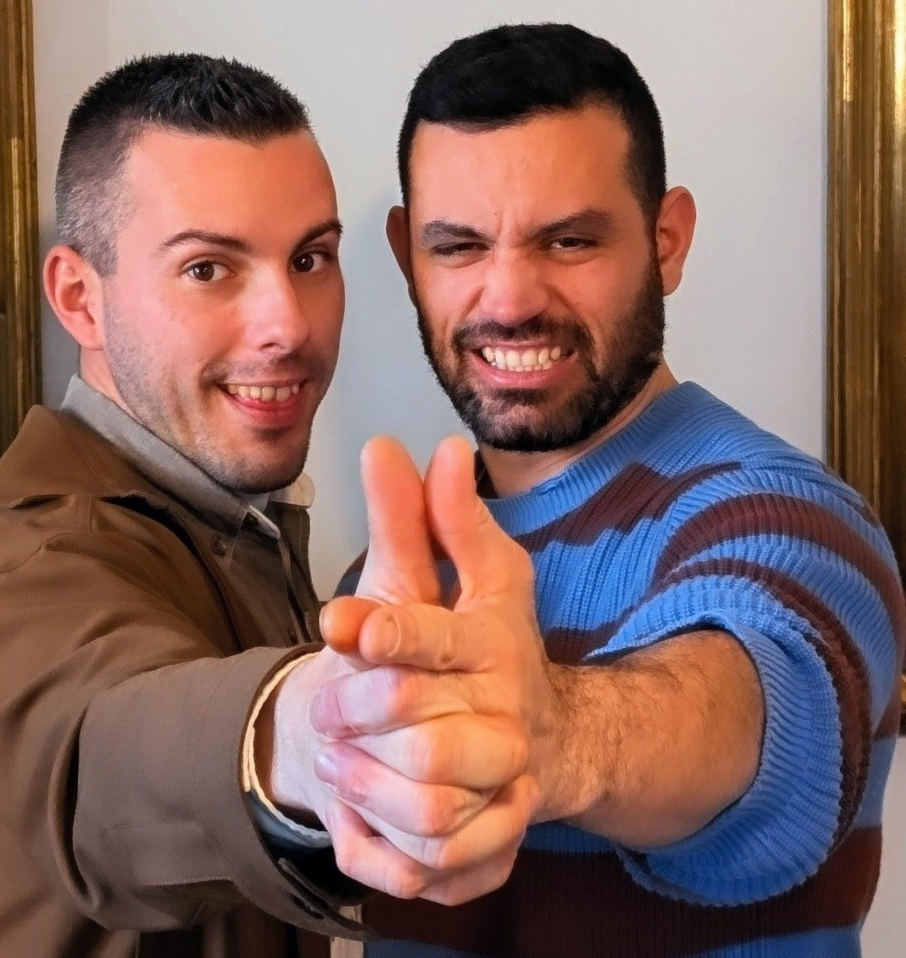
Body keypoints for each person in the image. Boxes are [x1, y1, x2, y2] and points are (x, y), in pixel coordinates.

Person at [0, 53, 534, 958]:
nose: (288, 324)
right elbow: (110, 752)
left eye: (310, 258)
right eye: (208, 269)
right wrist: (324, 731)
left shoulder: (235, 516)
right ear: (80, 298)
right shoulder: (20, 577)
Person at [323, 22, 906, 958]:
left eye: (569, 240)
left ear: (666, 241)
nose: (509, 299)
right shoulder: (388, 580)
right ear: (406, 257)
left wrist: (552, 735)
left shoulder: (791, 518)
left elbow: (758, 705)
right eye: (459, 246)